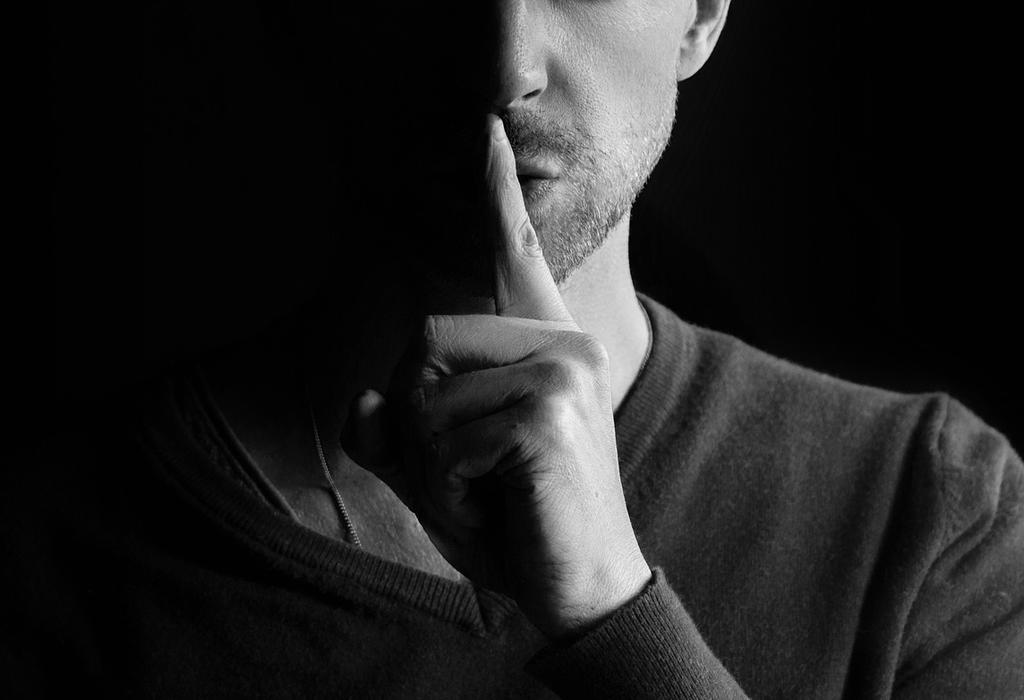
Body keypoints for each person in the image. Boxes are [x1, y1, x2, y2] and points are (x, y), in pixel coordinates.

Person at [10, 0, 1022, 697]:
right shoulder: (55, 549)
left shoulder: (934, 513)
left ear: (703, 14)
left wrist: (615, 613)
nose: (503, 70)